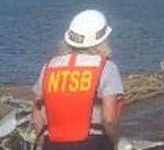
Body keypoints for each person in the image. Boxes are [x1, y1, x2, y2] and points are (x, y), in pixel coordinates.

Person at [32, 9, 124, 150]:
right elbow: (109, 119)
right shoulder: (106, 68)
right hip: (93, 143)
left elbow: (37, 115)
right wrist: (115, 143)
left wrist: (40, 144)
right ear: (102, 40)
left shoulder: (49, 67)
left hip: (52, 144)